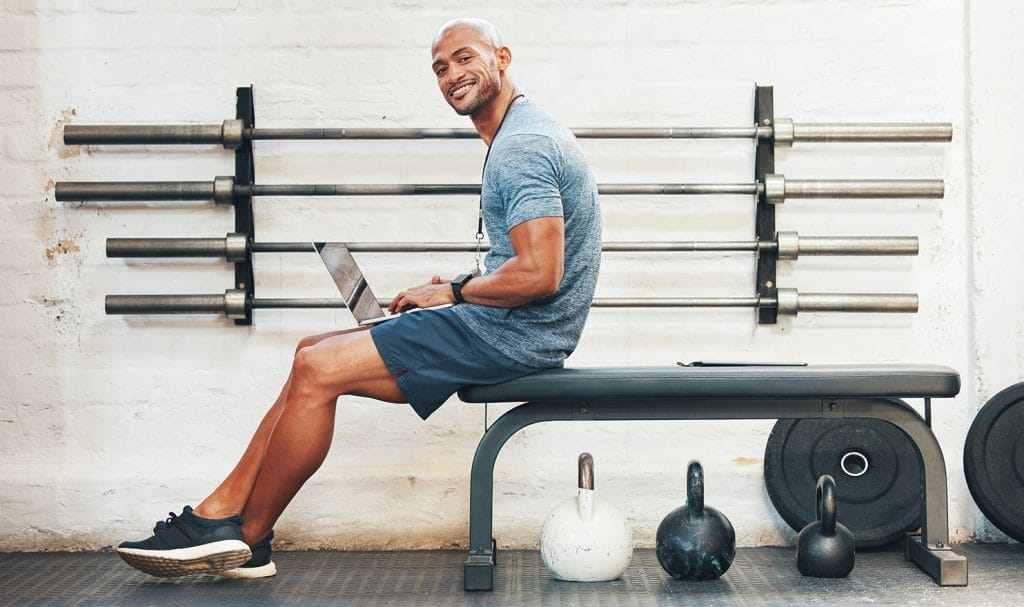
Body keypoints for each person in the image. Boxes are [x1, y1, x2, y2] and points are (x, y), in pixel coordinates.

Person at [116, 17, 602, 578]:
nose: (452, 75)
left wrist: (452, 291)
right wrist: (447, 294)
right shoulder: (517, 136)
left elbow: (541, 273)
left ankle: (242, 537)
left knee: (320, 368)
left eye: (465, 58)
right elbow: (522, 264)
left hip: (517, 337)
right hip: (501, 325)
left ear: (502, 57)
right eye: (441, 68)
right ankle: (218, 517)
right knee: (309, 353)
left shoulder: (523, 146)